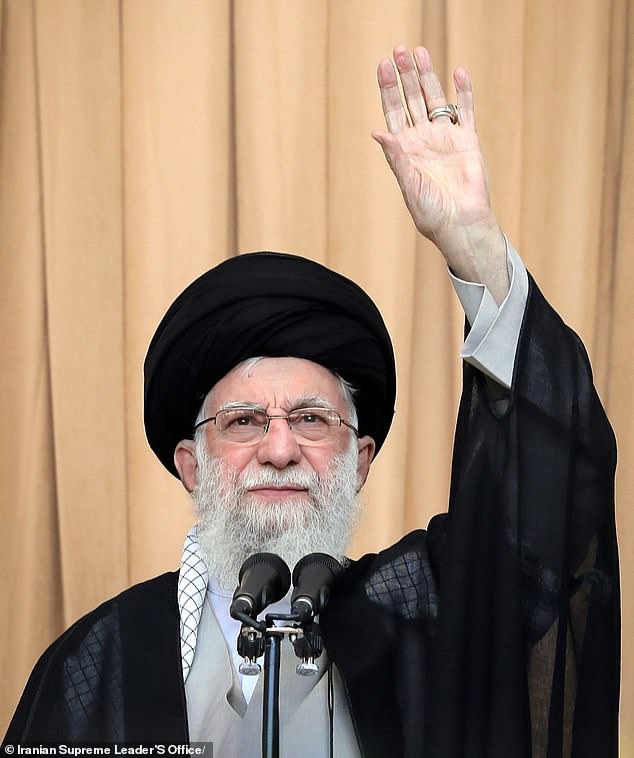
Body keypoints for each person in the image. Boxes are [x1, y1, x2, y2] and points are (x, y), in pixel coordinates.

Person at [3, 46, 619, 757]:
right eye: (242, 422)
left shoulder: (418, 617)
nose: (279, 447)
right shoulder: (96, 662)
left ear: (360, 459)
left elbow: (546, 525)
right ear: (191, 464)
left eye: (310, 418)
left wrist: (476, 247)